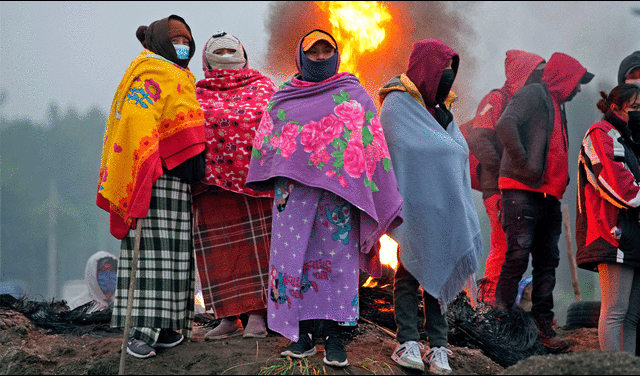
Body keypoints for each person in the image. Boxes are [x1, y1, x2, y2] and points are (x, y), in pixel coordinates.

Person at [245, 29, 403, 368]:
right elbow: (268, 141)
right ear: (301, 57)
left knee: (336, 264)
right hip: (294, 197)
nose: (319, 57)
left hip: (339, 197)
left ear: (336, 55)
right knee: (293, 260)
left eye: (325, 51)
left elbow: (371, 143)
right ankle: (300, 335)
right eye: (313, 52)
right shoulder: (283, 97)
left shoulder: (353, 95)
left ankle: (333, 336)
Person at [96, 15, 206, 359]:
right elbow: (135, 121)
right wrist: (148, 163)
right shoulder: (146, 73)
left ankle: (166, 327)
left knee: (175, 255)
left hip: (178, 183)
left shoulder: (183, 76)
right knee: (149, 257)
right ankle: (139, 332)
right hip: (153, 179)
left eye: (187, 39)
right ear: (159, 41)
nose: (183, 45)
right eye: (176, 39)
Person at [378, 38, 483, 374]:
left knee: (439, 279)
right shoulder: (396, 106)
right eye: (443, 70)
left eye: (452, 72)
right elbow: (401, 153)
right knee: (408, 270)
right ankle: (407, 340)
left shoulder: (444, 113)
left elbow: (455, 152)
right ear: (427, 68)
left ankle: (438, 346)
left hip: (444, 209)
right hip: (412, 205)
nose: (449, 78)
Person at [494, 52, 594, 351]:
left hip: (548, 195)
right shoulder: (534, 93)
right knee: (517, 256)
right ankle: (499, 324)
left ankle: (542, 328)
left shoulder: (556, 103)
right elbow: (505, 125)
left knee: (547, 262)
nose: (578, 89)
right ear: (563, 77)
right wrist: (524, 165)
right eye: (576, 81)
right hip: (521, 191)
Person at [192, 31, 276, 340]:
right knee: (219, 255)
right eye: (220, 51)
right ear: (207, 61)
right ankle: (227, 317)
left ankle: (258, 315)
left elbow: (276, 127)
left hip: (256, 185)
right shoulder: (195, 93)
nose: (226, 55)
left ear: (243, 55)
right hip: (211, 188)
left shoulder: (264, 88)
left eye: (231, 50)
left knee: (259, 252)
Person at [468, 50, 546, 305]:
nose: (542, 78)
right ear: (523, 72)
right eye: (537, 72)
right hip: (500, 189)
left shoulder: (526, 103)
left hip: (517, 189)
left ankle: (501, 306)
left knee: (515, 249)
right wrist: (500, 175)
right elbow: (478, 138)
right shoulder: (497, 98)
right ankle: (490, 307)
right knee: (503, 247)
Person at [576, 83, 640, 354]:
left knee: (631, 317)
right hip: (610, 232)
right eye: (635, 108)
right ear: (615, 108)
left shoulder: (628, 139)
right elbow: (620, 187)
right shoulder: (600, 134)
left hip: (631, 235)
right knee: (615, 312)